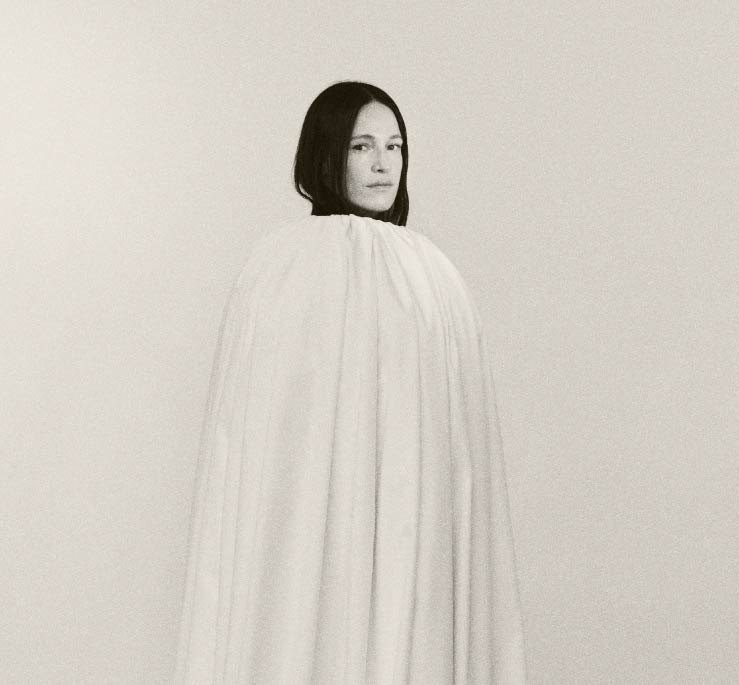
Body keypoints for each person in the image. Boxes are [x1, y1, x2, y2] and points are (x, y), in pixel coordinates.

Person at [172, 80, 527, 684]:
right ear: (326, 155)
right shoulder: (281, 269)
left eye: (394, 146)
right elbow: (260, 442)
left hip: (413, 530)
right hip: (301, 537)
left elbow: (457, 447)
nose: (383, 163)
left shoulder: (432, 276)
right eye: (362, 147)